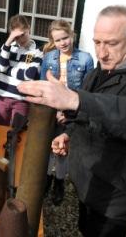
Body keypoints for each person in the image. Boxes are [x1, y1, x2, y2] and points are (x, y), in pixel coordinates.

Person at [18, 5, 126, 236]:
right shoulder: (100, 71)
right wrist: (69, 134)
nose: (101, 53)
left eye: (111, 43)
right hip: (89, 183)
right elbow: (91, 115)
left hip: (116, 196)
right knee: (85, 229)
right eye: (97, 42)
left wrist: (75, 99)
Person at [41, 20, 94, 206]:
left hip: (71, 113)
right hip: (51, 112)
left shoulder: (85, 59)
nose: (62, 43)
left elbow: (87, 91)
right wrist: (53, 111)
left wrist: (70, 112)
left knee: (63, 149)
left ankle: (59, 181)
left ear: (72, 35)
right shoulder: (48, 58)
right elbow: (44, 86)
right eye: (58, 40)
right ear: (52, 41)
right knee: (48, 146)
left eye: (65, 38)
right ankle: (47, 178)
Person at [0, 14, 43, 126]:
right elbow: (1, 67)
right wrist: (8, 42)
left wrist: (8, 70)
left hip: (22, 99)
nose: (20, 39)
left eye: (22, 34)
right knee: (0, 129)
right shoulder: (8, 47)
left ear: (28, 28)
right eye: (16, 37)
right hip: (2, 95)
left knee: (18, 130)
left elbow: (29, 75)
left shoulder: (37, 51)